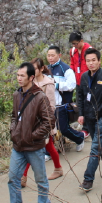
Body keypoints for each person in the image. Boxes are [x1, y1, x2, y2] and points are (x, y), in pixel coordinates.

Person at [2, 63, 56, 203]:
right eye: (18, 75)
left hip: (34, 146)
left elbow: (49, 121)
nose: (19, 78)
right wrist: (14, 130)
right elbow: (14, 116)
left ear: (31, 77)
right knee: (13, 178)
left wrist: (33, 136)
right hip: (18, 146)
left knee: (40, 178)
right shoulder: (16, 95)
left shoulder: (40, 97)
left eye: (22, 76)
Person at [77, 48, 102, 192]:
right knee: (101, 143)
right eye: (88, 61)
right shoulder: (83, 77)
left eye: (94, 60)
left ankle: (88, 179)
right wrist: (81, 113)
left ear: (99, 61)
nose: (91, 63)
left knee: (95, 148)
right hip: (89, 118)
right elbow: (80, 96)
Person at [21, 58, 64, 186]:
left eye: (35, 69)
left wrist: (43, 119)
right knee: (48, 146)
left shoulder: (48, 84)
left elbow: (51, 105)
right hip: (32, 121)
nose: (32, 71)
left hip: (44, 122)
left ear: (41, 69)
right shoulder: (30, 81)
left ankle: (23, 177)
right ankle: (58, 168)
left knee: (34, 147)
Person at [46, 46, 85, 152]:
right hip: (49, 105)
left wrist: (57, 85)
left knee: (63, 129)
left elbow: (71, 85)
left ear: (59, 55)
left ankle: (79, 137)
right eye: (48, 55)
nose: (50, 58)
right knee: (48, 129)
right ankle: (49, 151)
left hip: (62, 104)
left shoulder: (66, 69)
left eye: (52, 55)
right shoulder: (46, 69)